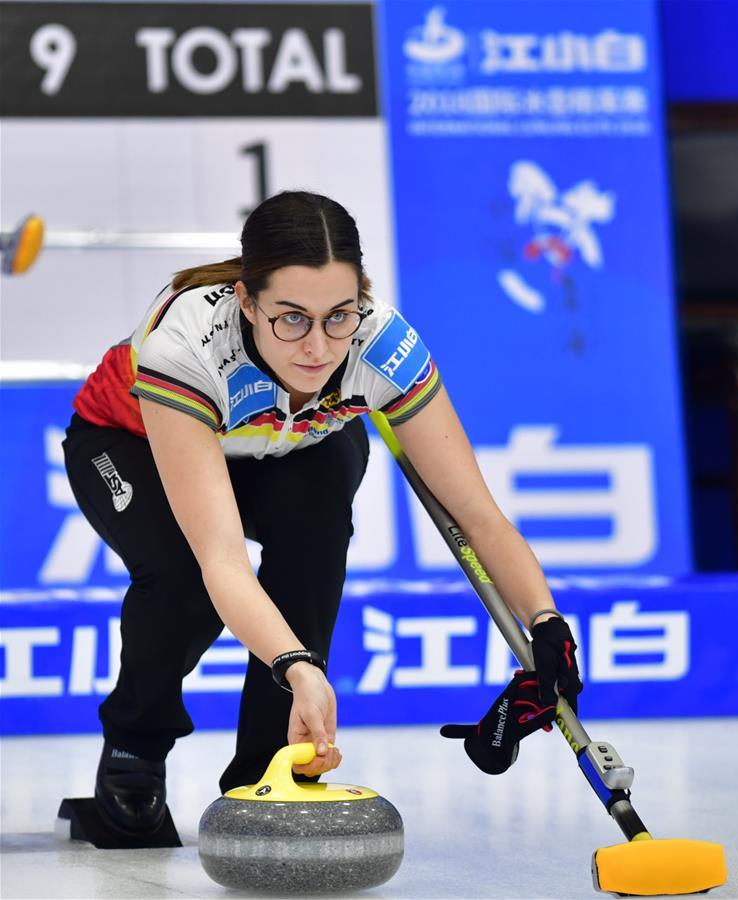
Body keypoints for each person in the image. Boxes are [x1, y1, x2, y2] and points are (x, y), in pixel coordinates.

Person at [63, 190, 581, 835]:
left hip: (293, 445)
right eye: (290, 318)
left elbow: (477, 513)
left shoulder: (383, 343)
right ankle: (135, 747)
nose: (317, 347)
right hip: (131, 441)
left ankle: (267, 768)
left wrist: (547, 622)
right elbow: (222, 558)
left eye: (339, 315)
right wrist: (297, 666)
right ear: (248, 302)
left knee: (316, 540)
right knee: (184, 580)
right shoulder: (189, 342)